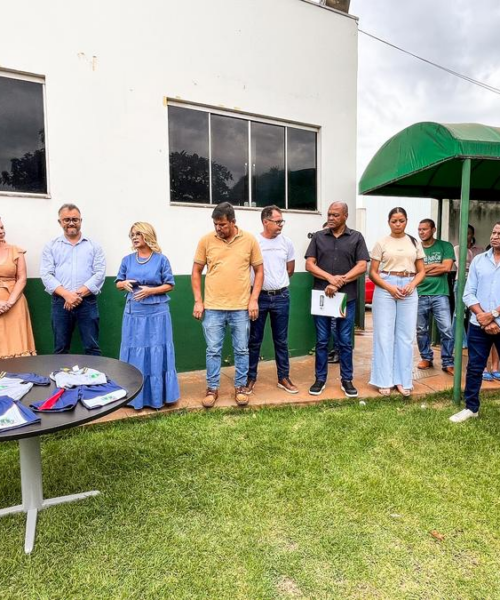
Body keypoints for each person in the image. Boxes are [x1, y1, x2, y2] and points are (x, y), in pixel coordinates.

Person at [192, 202, 264, 408]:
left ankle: (241, 388)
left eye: (222, 225)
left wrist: (253, 299)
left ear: (233, 222)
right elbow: (196, 271)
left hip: (241, 307)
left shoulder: (249, 240)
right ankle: (212, 389)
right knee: (213, 350)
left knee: (242, 349)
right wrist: (198, 301)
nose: (218, 228)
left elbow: (259, 271)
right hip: (213, 307)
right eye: (215, 224)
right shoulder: (206, 241)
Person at [305, 201, 369, 397]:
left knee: (345, 341)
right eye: (329, 214)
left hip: (345, 298)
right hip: (323, 298)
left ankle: (347, 380)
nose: (331, 218)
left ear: (345, 216)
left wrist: (338, 282)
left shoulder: (356, 237)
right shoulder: (318, 237)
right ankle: (320, 379)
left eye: (335, 215)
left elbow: (361, 266)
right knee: (322, 340)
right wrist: (329, 278)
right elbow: (309, 264)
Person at [116, 222, 180, 410]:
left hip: (157, 313)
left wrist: (150, 291)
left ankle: (158, 396)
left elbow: (170, 285)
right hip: (133, 313)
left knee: (156, 350)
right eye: (132, 235)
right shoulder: (127, 259)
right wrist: (124, 283)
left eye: (138, 234)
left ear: (147, 235)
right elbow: (118, 282)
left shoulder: (161, 260)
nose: (134, 238)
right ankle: (134, 396)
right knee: (134, 349)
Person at [369, 207, 426, 397]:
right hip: (386, 286)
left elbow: (421, 271)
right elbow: (373, 272)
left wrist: (412, 285)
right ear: (389, 222)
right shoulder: (381, 242)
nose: (398, 224)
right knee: (384, 334)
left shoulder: (414, 242)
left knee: (405, 336)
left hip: (409, 287)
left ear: (406, 221)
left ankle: (403, 380)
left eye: (401, 220)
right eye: (394, 221)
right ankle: (383, 379)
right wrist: (389, 287)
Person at [450, 222, 500, 423]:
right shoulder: (479, 260)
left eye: (499, 233)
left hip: (494, 320)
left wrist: (494, 314)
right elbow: (468, 292)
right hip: (479, 324)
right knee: (474, 367)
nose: (495, 236)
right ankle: (471, 408)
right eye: (494, 232)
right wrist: (483, 317)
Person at [40, 204, 106, 355]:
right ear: (60, 222)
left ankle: (95, 378)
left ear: (81, 221)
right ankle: (60, 378)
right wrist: (66, 295)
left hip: (87, 303)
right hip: (60, 303)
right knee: (61, 348)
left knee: (92, 347)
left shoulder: (94, 246)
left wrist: (76, 295)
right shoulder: (51, 246)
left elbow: (99, 273)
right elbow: (46, 274)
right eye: (66, 219)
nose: (71, 223)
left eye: (75, 219)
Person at [247, 205, 297, 394]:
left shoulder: (287, 242)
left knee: (281, 340)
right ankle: (250, 378)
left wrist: (277, 282)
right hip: (258, 298)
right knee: (254, 340)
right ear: (265, 222)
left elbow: (290, 269)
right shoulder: (254, 242)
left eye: (281, 221)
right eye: (277, 221)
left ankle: (283, 378)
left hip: (282, 297)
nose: (281, 225)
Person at [416, 219, 455, 375]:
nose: (421, 232)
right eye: (419, 229)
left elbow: (446, 267)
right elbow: (414, 270)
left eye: (425, 229)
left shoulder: (445, 246)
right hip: (419, 293)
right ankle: (426, 357)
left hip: (440, 294)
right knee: (420, 330)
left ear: (433, 229)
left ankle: (448, 362)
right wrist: (434, 267)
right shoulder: (415, 248)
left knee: (446, 329)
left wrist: (423, 269)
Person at [0, 217, 36, 359]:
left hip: (15, 303)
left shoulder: (17, 251)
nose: (1, 231)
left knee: (18, 347)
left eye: (2, 227)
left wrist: (8, 303)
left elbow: (22, 278)